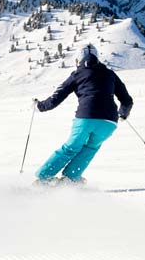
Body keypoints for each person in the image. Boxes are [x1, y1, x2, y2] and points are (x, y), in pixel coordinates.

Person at [32, 44, 133, 183]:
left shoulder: (77, 74)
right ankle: (70, 178)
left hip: (86, 118)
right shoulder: (110, 74)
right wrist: (123, 114)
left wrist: (40, 106)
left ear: (78, 59)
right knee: (91, 147)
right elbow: (127, 100)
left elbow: (57, 97)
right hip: (109, 121)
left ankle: (43, 178)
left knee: (71, 148)